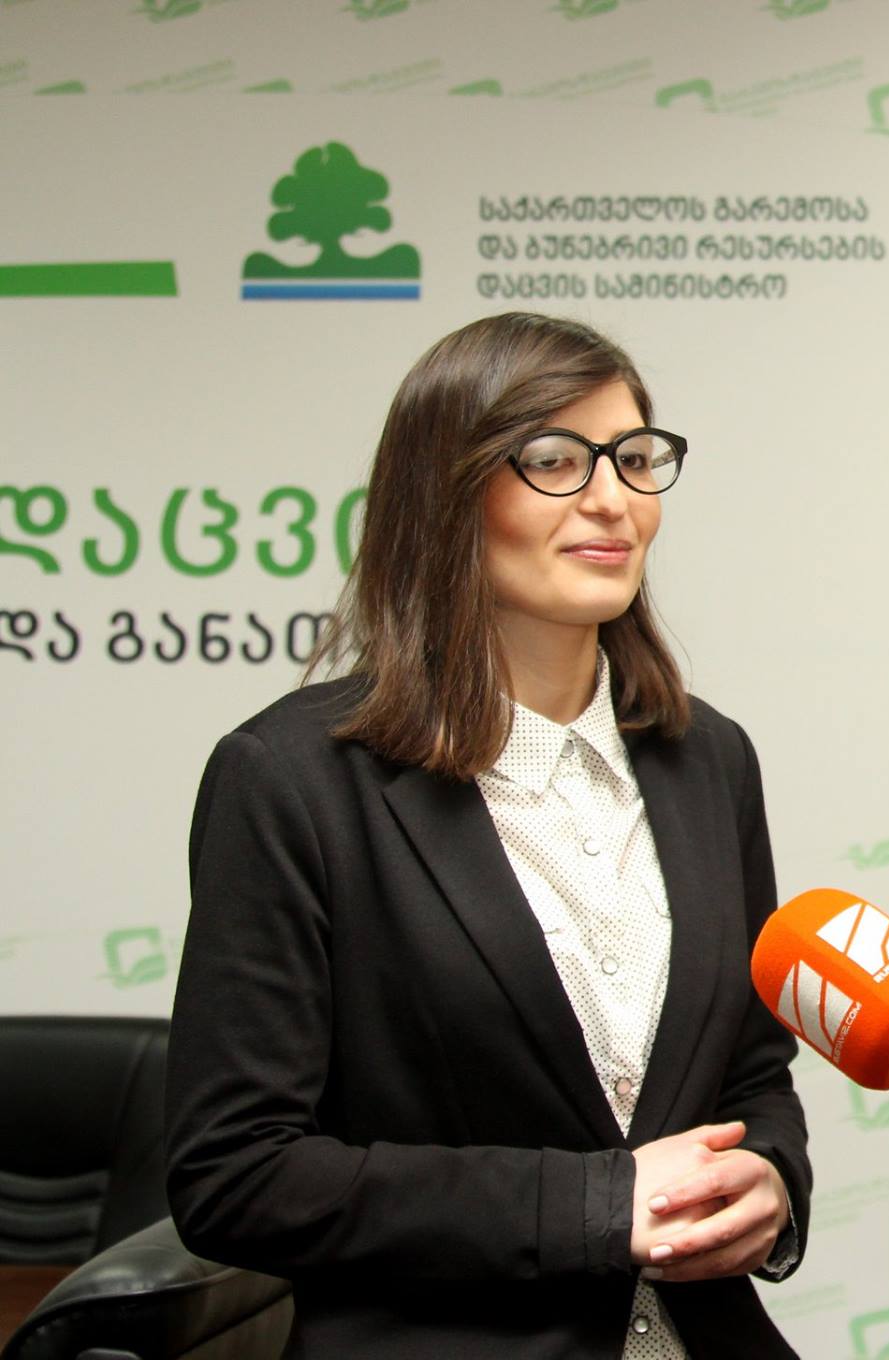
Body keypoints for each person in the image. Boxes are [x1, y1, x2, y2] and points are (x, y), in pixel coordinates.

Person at [166, 312, 810, 1359]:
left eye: (634, 458)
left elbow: (751, 1074)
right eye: (554, 460)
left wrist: (771, 1180)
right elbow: (234, 1173)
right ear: (446, 492)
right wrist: (596, 1205)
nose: (612, 498)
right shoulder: (290, 779)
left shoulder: (710, 760)